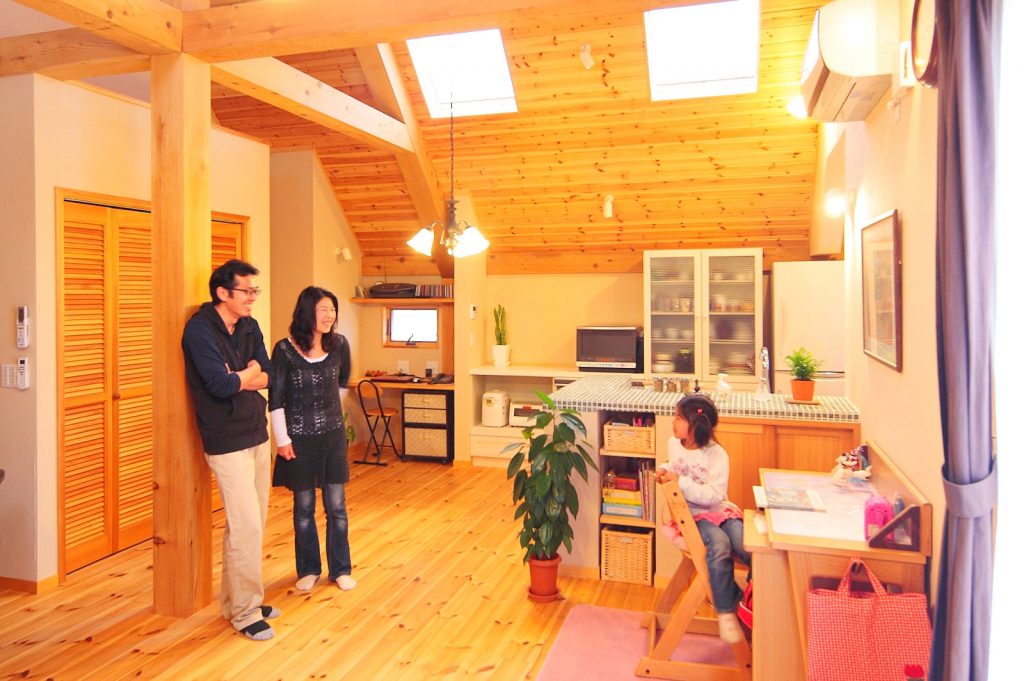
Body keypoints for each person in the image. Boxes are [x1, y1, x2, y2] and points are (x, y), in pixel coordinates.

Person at [181, 259, 280, 641]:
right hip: (225, 439)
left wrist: (244, 376)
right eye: (247, 291)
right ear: (223, 292)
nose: (253, 297)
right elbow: (219, 386)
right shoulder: (200, 330)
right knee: (245, 526)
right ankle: (245, 612)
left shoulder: (249, 325)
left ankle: (236, 601)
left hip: (256, 430)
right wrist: (248, 373)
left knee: (252, 524)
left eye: (255, 291)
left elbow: (271, 374)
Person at [269, 286, 356, 594]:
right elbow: (276, 398)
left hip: (332, 437)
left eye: (332, 309)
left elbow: (343, 381)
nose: (330, 315)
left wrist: (329, 411)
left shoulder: (339, 344)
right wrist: (282, 439)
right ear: (307, 312)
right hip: (298, 439)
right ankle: (308, 569)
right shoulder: (284, 350)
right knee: (303, 507)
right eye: (323, 309)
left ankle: (340, 569)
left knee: (337, 506)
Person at [654, 394, 750, 644]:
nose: (672, 422)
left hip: (720, 510)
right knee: (719, 546)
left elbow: (713, 496)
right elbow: (676, 465)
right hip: (695, 517)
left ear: (696, 425)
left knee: (749, 546)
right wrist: (665, 468)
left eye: (678, 418)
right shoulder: (674, 443)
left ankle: (753, 599)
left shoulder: (717, 455)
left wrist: (680, 481)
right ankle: (727, 612)